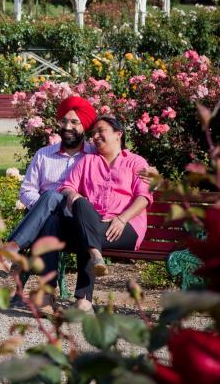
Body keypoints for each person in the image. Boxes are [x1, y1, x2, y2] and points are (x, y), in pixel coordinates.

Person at [41, 116, 153, 312]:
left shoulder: (136, 162)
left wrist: (121, 218)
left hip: (125, 226)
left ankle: (84, 298)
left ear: (118, 134)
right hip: (93, 222)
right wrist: (72, 196)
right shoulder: (87, 161)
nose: (96, 136)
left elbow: (144, 197)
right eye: (93, 133)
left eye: (101, 131)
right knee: (68, 213)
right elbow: (68, 187)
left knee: (86, 231)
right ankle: (58, 294)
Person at [0, 96, 97, 276]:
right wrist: (43, 209)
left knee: (52, 196)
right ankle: (46, 297)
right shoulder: (44, 155)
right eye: (64, 121)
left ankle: (8, 253)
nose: (67, 127)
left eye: (74, 122)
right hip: (48, 223)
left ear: (84, 125)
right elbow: (27, 190)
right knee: (50, 212)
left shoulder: (94, 156)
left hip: (78, 221)